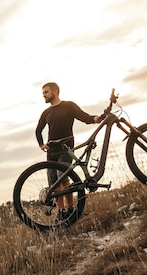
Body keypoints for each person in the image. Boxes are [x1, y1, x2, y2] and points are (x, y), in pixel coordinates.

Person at [35, 82, 100, 219]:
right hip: (51, 151)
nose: (44, 96)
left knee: (62, 177)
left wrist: (95, 119)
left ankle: (70, 208)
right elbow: (38, 129)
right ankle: (62, 211)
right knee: (54, 182)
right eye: (43, 93)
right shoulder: (46, 112)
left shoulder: (68, 106)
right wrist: (41, 144)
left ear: (55, 91)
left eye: (46, 92)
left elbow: (84, 117)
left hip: (66, 149)